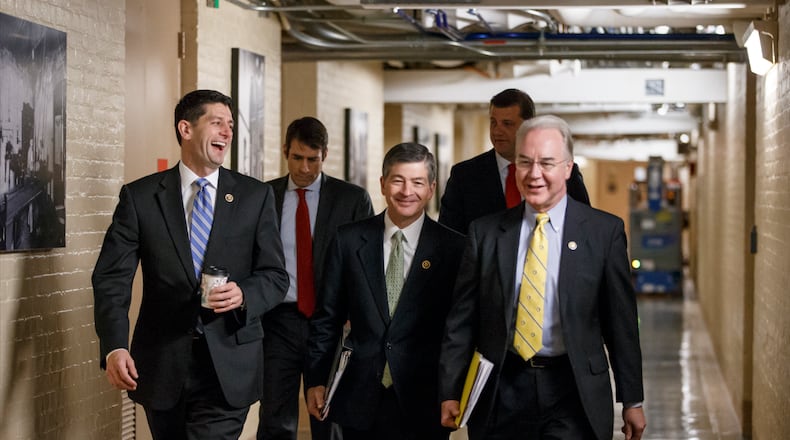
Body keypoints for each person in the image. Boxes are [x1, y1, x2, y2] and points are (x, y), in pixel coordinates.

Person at [92, 89, 289, 439]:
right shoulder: (140, 198)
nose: (227, 132)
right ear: (186, 128)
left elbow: (275, 276)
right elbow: (112, 278)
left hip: (230, 362)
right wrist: (115, 345)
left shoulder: (255, 197)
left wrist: (244, 294)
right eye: (217, 123)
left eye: (230, 125)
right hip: (161, 363)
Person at [439, 115, 646, 440]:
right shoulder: (486, 233)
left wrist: (632, 398)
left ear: (568, 168)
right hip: (502, 388)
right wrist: (450, 388)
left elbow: (620, 322)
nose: (535, 174)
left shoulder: (603, 233)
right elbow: (462, 320)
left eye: (547, 163)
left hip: (573, 389)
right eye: (525, 162)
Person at [304, 143, 466, 440]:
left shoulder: (454, 248)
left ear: (431, 189)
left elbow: (459, 329)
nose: (407, 191)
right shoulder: (348, 240)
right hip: (359, 395)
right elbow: (327, 318)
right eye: (398, 180)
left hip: (425, 395)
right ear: (382, 184)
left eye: (417, 182)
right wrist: (316, 379)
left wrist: (454, 390)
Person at [259, 117, 374, 440]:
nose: (305, 169)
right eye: (297, 158)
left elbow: (363, 267)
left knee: (329, 413)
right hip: (277, 321)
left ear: (325, 154)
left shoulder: (351, 200)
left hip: (331, 322)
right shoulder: (265, 197)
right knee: (275, 417)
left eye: (313, 159)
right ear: (285, 152)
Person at [438, 88, 590, 235]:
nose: (497, 131)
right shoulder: (464, 176)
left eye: (507, 123)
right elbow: (449, 238)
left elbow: (583, 227)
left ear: (529, 126)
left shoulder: (562, 171)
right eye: (493, 122)